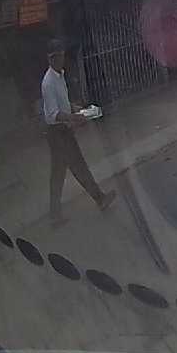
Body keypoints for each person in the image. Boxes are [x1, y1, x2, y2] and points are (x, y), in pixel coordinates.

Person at [42, 39, 115, 224]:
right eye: (56, 57)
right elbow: (53, 114)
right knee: (78, 167)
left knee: (58, 173)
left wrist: (75, 108)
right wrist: (75, 118)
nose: (59, 60)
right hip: (58, 132)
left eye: (60, 55)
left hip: (61, 131)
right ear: (50, 59)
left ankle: (54, 215)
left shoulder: (59, 76)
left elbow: (62, 104)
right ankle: (99, 199)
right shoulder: (48, 83)